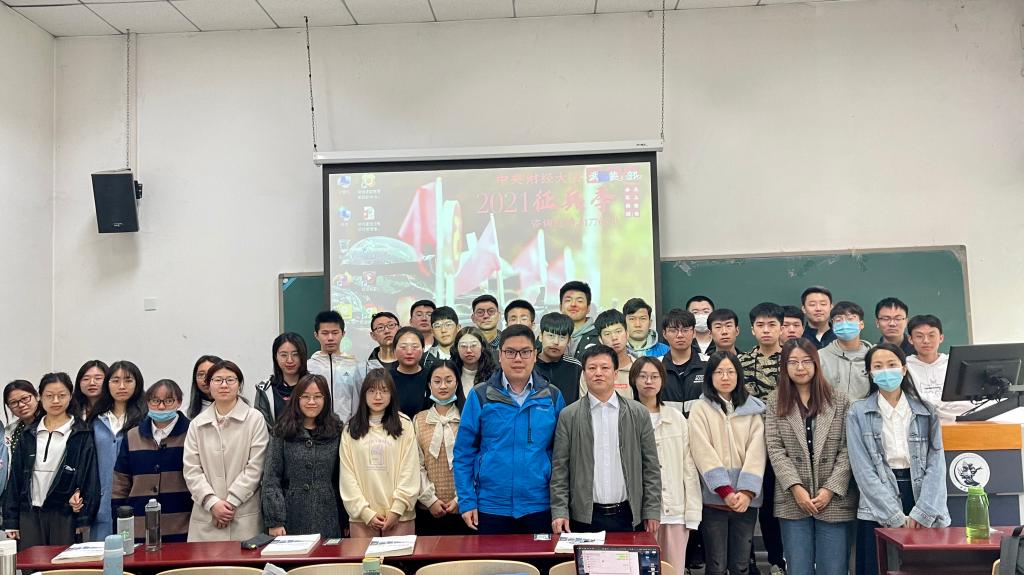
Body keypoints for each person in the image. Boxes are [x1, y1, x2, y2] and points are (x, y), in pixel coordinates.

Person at [453, 324, 566, 534]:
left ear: (535, 355)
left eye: (525, 352)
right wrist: (467, 500)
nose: (518, 359)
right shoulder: (481, 395)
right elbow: (463, 453)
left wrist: (560, 506)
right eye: (510, 352)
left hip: (539, 505)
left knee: (540, 557)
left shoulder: (551, 396)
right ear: (500, 355)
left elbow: (561, 456)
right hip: (490, 506)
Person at [847, 343, 950, 575]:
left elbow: (936, 463)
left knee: (923, 568)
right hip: (878, 503)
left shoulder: (927, 410)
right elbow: (862, 469)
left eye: (892, 364)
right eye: (878, 366)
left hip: (920, 496)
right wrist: (892, 515)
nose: (886, 371)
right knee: (880, 567)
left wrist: (923, 511)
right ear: (870, 373)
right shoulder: (857, 412)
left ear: (904, 369)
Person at [765, 339, 856, 575]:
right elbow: (775, 448)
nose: (800, 367)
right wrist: (796, 488)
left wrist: (829, 490)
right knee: (798, 568)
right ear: (784, 366)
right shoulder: (775, 400)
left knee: (834, 569)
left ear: (816, 363)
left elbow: (848, 449)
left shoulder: (840, 400)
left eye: (806, 361)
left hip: (834, 498)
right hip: (793, 498)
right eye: (793, 362)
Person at [551, 345, 661, 534]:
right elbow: (560, 469)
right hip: (584, 517)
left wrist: (651, 510)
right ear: (584, 374)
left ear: (616, 373)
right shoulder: (569, 415)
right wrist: (559, 510)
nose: (598, 373)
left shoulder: (638, 413)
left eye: (605, 367)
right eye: (592, 368)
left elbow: (650, 467)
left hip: (628, 514)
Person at [688, 352, 767, 575]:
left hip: (745, 501)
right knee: (716, 564)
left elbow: (757, 452)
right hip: (714, 501)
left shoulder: (753, 410)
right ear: (710, 377)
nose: (725, 377)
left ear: (738, 375)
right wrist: (724, 490)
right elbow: (702, 451)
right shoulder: (700, 408)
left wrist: (746, 492)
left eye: (730, 371)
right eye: (719, 372)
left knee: (741, 564)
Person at [3, 373, 99, 549]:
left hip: (65, 514)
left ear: (70, 396)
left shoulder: (81, 433)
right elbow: (15, 478)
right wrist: (11, 520)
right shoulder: (29, 433)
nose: (56, 401)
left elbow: (89, 477)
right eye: (49, 395)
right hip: (29, 513)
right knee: (32, 562)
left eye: (61, 395)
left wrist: (84, 517)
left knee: (61, 561)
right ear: (40, 397)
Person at [630, 357, 702, 575]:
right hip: (639, 514)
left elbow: (689, 467)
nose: (648, 381)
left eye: (654, 376)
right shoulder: (626, 417)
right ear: (633, 380)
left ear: (662, 380)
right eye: (643, 376)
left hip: (675, 512)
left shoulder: (676, 418)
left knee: (673, 570)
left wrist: (692, 512)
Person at [183, 360, 269, 541]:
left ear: (239, 385)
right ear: (209, 385)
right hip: (206, 517)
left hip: (243, 515)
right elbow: (192, 470)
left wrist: (230, 503)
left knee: (245, 559)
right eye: (218, 380)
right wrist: (213, 504)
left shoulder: (255, 419)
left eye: (230, 380)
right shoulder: (197, 424)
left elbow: (256, 467)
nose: (224, 385)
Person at [262, 373, 344, 539]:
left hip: (327, 513)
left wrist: (345, 520)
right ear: (296, 399)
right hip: (291, 513)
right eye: (305, 396)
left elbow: (341, 478)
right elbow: (271, 478)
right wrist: (275, 521)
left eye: (317, 396)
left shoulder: (336, 430)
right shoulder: (282, 431)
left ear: (326, 400)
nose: (311, 402)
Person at [340, 368, 419, 537]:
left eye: (384, 391)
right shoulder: (350, 429)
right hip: (362, 519)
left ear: (392, 394)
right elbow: (347, 476)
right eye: (372, 391)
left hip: (400, 517)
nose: (378, 396)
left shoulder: (405, 425)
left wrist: (397, 509)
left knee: (399, 557)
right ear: (363, 394)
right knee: (364, 556)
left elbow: (410, 470)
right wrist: (365, 512)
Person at [111, 379, 192, 543]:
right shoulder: (133, 436)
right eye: (155, 401)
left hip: (182, 524)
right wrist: (118, 518)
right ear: (147, 402)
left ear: (179, 402)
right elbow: (120, 482)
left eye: (168, 401)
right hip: (139, 525)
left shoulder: (192, 433)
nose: (161, 407)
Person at [737, 303, 786, 574]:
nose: (766, 330)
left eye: (772, 325)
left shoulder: (793, 360)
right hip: (752, 445)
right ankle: (756, 561)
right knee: (758, 504)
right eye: (760, 325)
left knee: (782, 505)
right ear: (752, 329)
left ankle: (782, 560)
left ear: (781, 328)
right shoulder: (741, 362)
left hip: (787, 445)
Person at [87, 360, 147, 540]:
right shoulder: (96, 420)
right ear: (107, 384)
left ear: (137, 384)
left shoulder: (146, 420)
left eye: (128, 380)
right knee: (102, 552)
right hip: (101, 502)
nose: (121, 386)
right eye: (115, 380)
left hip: (137, 498)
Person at [413, 361, 470, 535]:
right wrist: (430, 500)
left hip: (465, 507)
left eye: (448, 380)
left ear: (457, 383)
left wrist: (460, 499)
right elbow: (415, 465)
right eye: (437, 381)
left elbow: (475, 462)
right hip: (427, 509)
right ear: (429, 385)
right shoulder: (419, 420)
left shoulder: (468, 417)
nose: (443, 386)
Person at [307, 310, 364, 424]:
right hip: (316, 428)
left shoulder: (355, 366)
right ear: (316, 335)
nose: (330, 338)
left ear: (343, 334)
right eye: (325, 333)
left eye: (335, 332)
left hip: (348, 428)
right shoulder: (308, 367)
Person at [905, 315, 962, 419]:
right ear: (910, 339)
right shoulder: (905, 367)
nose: (926, 341)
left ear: (941, 338)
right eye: (919, 336)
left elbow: (965, 403)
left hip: (956, 422)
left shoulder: (954, 364)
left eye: (931, 335)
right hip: (920, 424)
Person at [820, 302, 873, 400]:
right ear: (833, 326)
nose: (844, 324)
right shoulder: (820, 356)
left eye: (850, 319)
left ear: (861, 324)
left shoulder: (873, 357)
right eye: (838, 320)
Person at [255, 332, 310, 427]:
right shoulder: (265, 389)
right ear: (276, 357)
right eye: (284, 355)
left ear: (303, 356)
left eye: (295, 354)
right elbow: (261, 426)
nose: (290, 360)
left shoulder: (314, 385)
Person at [577, 309, 635, 400]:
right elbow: (585, 404)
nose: (614, 337)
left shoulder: (639, 368)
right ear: (600, 339)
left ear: (627, 334)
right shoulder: (591, 371)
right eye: (607, 334)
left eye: (618, 331)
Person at [658, 309, 706, 414]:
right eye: (673, 330)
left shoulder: (709, 364)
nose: (680, 335)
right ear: (664, 334)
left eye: (685, 330)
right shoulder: (656, 366)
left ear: (694, 333)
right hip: (667, 423)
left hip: (700, 423)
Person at [534, 312, 583, 404]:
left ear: (568, 341)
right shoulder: (529, 365)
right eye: (551, 336)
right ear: (540, 336)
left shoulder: (575, 367)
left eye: (562, 337)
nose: (556, 342)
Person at [390, 326, 430, 418]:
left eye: (415, 347)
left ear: (423, 349)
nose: (409, 352)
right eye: (403, 347)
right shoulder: (386, 379)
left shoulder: (432, 377)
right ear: (394, 350)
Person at [452, 326, 498, 398]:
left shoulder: (495, 374)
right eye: (463, 346)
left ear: (482, 347)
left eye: (473, 345)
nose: (468, 350)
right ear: (456, 349)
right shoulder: (451, 374)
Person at [561, 281, 599, 358]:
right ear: (560, 306)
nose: (573, 304)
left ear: (588, 308)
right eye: (568, 300)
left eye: (579, 301)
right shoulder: (547, 334)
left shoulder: (599, 336)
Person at [4, 380, 39, 458]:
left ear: (36, 396)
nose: (21, 405)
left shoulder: (50, 424)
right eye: (13, 402)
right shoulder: (10, 431)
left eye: (25, 398)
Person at [186, 355, 221, 419]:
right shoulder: (186, 413)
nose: (205, 379)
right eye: (201, 374)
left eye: (211, 374)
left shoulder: (238, 409)